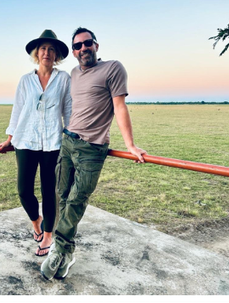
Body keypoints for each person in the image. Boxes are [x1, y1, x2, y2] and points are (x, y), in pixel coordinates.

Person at [41, 28, 148, 281]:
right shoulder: (74, 74)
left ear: (96, 45)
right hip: (68, 142)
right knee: (63, 196)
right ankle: (67, 253)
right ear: (74, 52)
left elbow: (120, 106)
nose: (82, 49)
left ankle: (58, 248)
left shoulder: (113, 68)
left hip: (92, 148)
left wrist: (130, 145)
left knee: (77, 199)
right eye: (77, 46)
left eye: (87, 43)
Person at [0, 30, 72, 257]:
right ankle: (36, 220)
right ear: (36, 53)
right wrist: (10, 137)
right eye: (43, 49)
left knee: (50, 191)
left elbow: (69, 110)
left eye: (51, 49)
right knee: (23, 190)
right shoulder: (25, 80)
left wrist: (69, 137)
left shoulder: (64, 79)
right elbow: (18, 110)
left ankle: (48, 234)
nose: (46, 53)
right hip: (25, 140)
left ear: (57, 54)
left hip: (53, 143)